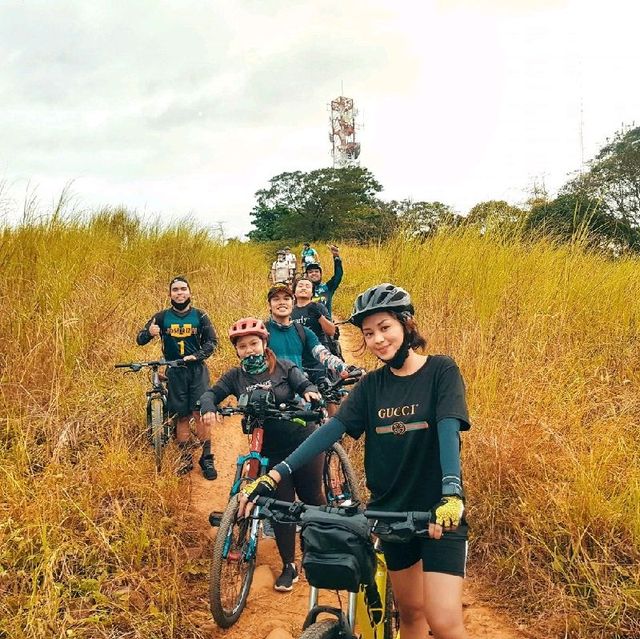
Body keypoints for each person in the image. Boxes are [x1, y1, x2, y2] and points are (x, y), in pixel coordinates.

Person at [241, 283, 471, 639]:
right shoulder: (372, 386)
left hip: (437, 512)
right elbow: (331, 430)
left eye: (385, 328)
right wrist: (276, 474)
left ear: (406, 325)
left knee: (442, 622)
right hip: (390, 514)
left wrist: (451, 492)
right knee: (410, 614)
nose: (378, 339)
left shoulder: (441, 371)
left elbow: (447, 429)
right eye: (368, 333)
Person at [199, 317, 325, 592]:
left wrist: (311, 392)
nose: (249, 349)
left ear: (264, 343)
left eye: (254, 343)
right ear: (236, 350)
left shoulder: (283, 367)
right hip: (269, 450)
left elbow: (303, 384)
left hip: (302, 442)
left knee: (311, 498)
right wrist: (208, 406)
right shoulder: (236, 376)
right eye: (243, 346)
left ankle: (320, 551)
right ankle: (289, 565)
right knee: (281, 507)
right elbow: (212, 393)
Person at [137, 276, 219, 479]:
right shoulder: (162, 317)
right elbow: (140, 339)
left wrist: (197, 356)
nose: (179, 293)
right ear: (170, 294)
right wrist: (149, 333)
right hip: (174, 370)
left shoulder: (200, 316)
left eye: (183, 289)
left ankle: (206, 458)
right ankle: (185, 458)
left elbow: (212, 342)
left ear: (190, 293)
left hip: (196, 370)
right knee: (181, 416)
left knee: (200, 413)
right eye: (175, 290)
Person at [265, 283, 352, 385]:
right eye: (276, 299)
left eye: (286, 299)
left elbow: (322, 354)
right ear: (269, 305)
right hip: (271, 389)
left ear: (292, 303)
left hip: (300, 389)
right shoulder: (262, 332)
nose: (282, 302)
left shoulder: (303, 332)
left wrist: (344, 367)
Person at [305, 244, 342, 318]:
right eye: (310, 272)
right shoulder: (302, 290)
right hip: (308, 327)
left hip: (326, 326)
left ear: (321, 274)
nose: (314, 273)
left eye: (316, 271)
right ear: (306, 275)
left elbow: (338, 275)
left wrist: (336, 258)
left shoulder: (328, 287)